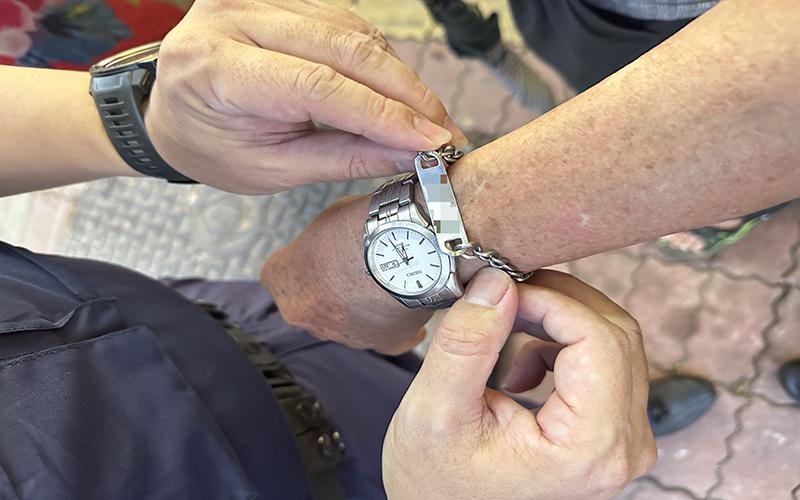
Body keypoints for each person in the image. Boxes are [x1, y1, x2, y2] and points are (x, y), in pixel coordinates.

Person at [0, 0, 656, 498]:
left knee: (490, 394)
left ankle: (574, 417)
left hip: (219, 325)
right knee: (526, 434)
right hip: (361, 480)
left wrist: (145, 125)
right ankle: (587, 434)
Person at [261, 0, 800, 438]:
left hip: (717, 36)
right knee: (599, 75)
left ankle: (726, 213)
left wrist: (385, 262)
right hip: (586, 17)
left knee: (726, 166)